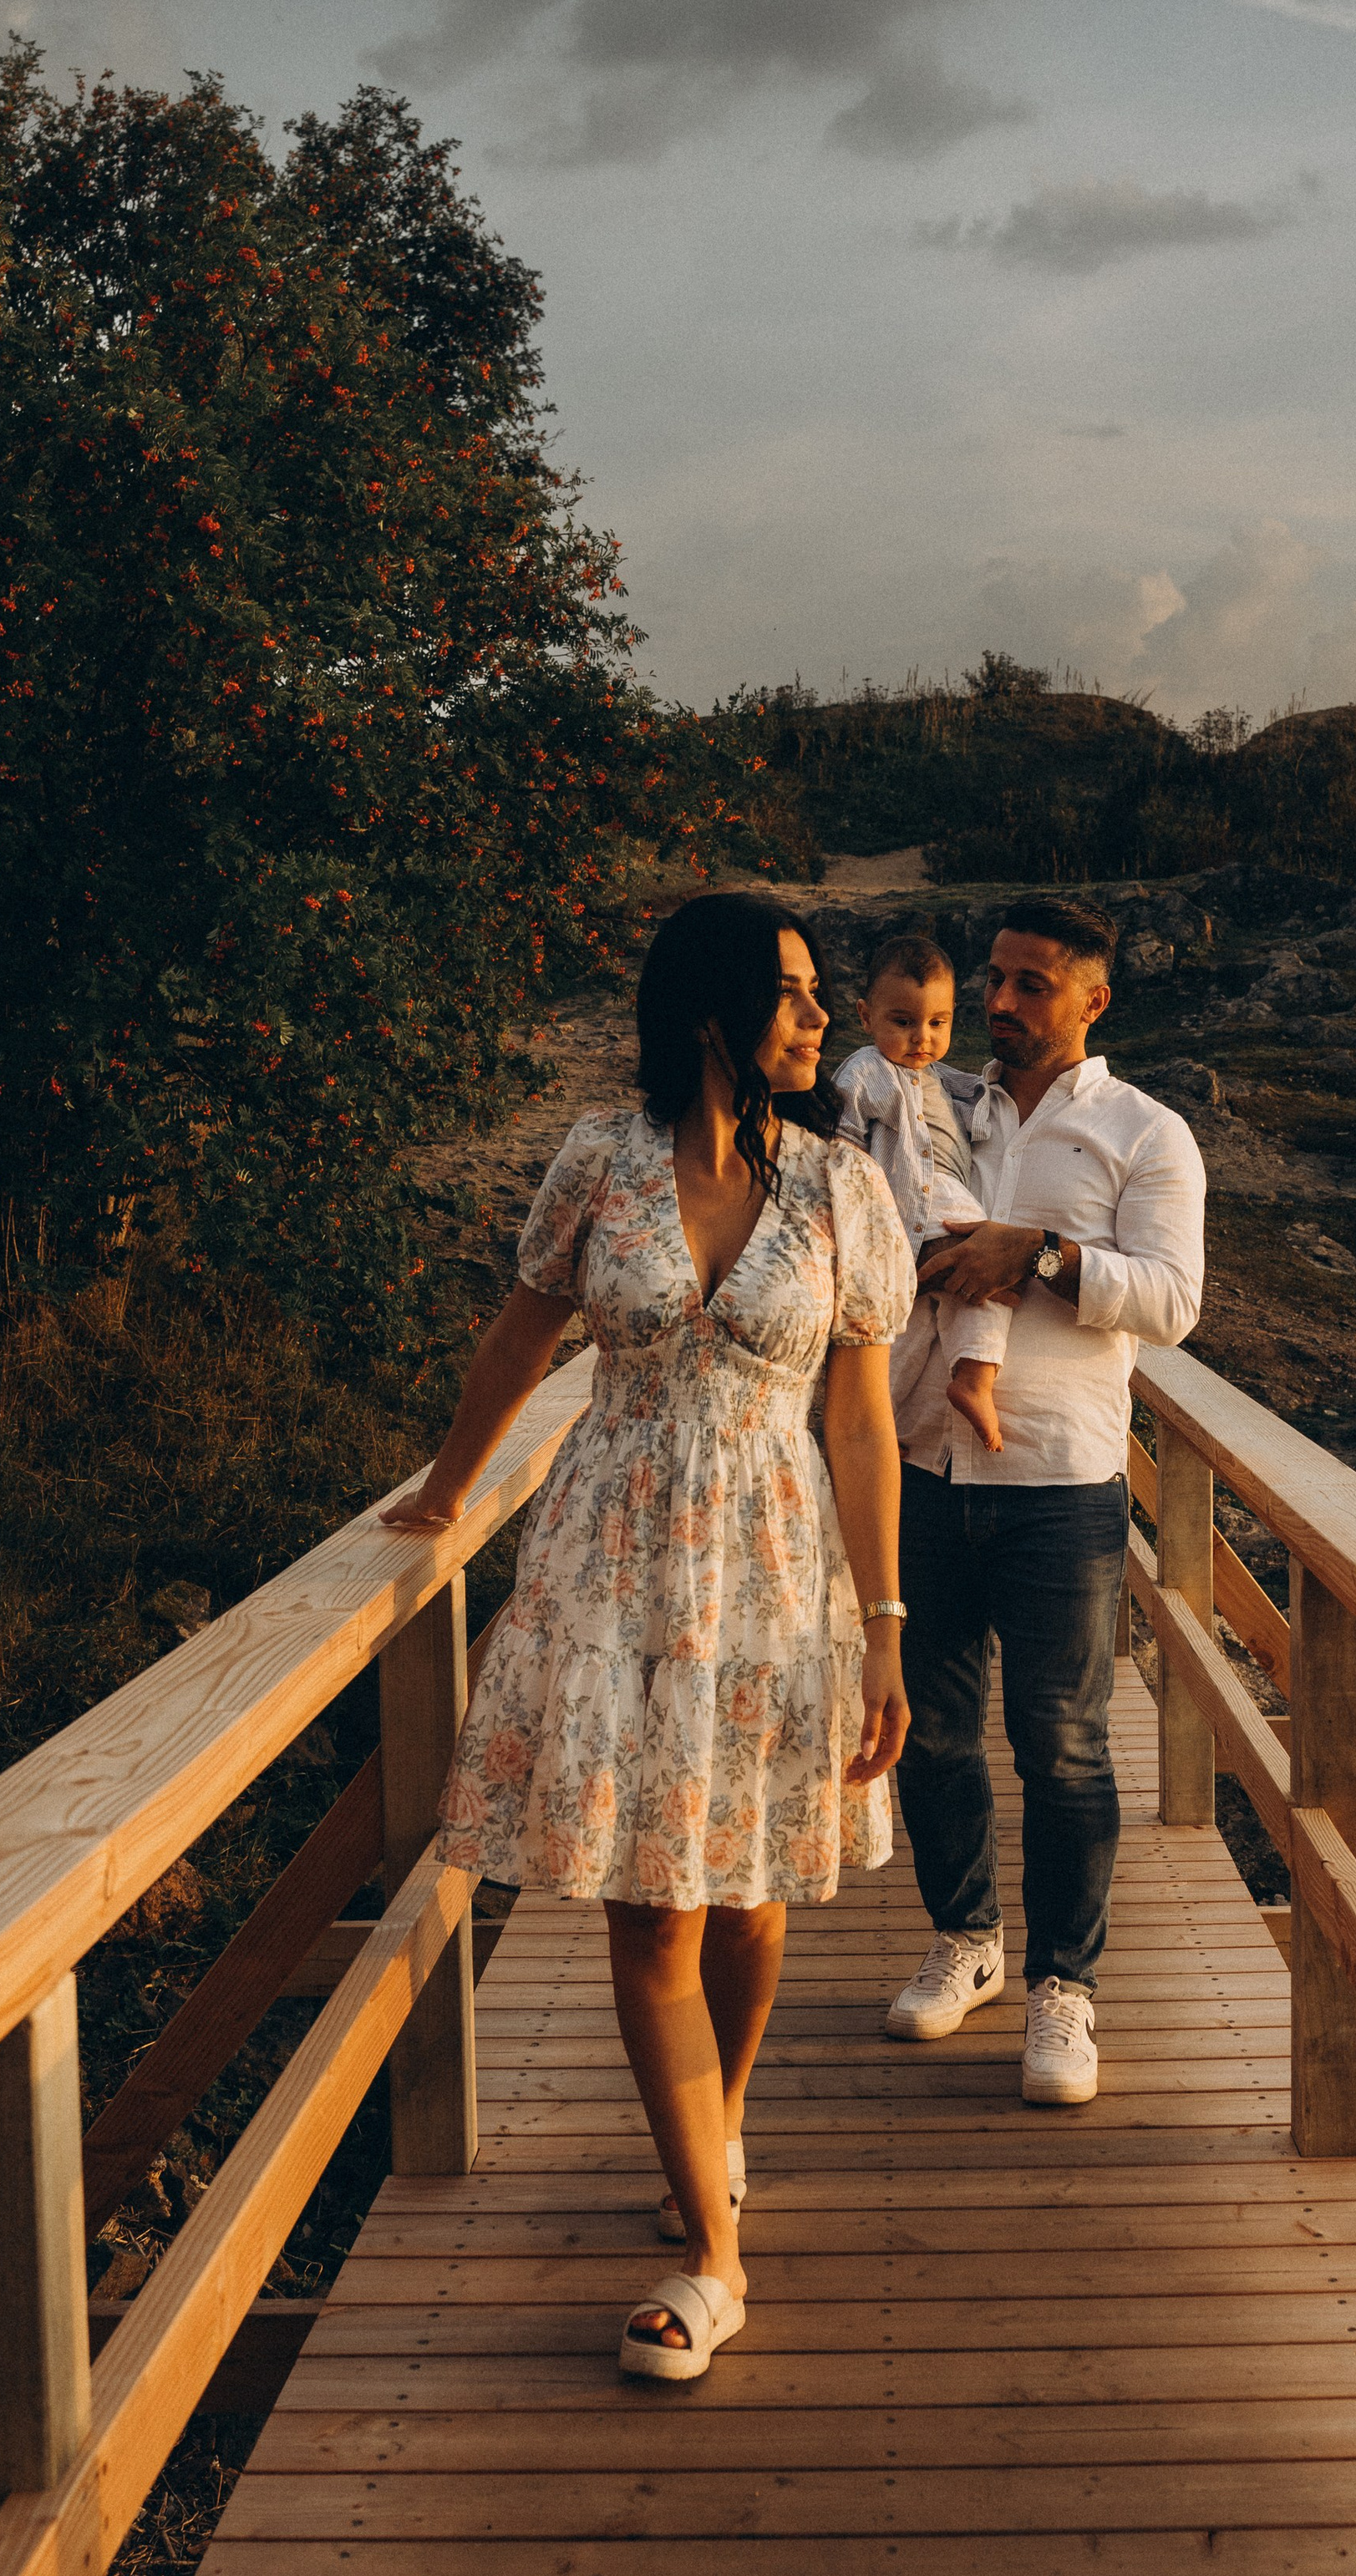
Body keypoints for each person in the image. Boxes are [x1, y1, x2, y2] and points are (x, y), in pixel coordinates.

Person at [379, 893, 915, 2381]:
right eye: (793, 995)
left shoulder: (841, 1189)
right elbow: (522, 1333)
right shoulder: (601, 1164)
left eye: (818, 993)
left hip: (773, 1574)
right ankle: (714, 2261)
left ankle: (715, 2132)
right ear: (712, 1015)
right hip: (615, 1568)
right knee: (652, 1908)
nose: (821, 1017)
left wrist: (883, 1625)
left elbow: (862, 1423)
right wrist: (445, 1494)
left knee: (746, 1895)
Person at [881, 895, 1206, 2107]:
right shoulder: (928, 1103)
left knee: (1062, 1745)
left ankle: (1064, 1987)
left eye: (1031, 983)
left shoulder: (1146, 1132)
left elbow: (1172, 1303)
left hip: (1061, 1483)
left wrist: (1041, 1253)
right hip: (918, 1466)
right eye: (995, 979)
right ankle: (966, 1939)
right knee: (931, 1731)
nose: (1001, 1002)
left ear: (1093, 1001)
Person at [833, 931, 1010, 1453]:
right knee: (992, 1277)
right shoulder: (868, 1069)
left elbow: (972, 1110)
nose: (921, 1038)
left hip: (937, 1202)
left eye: (938, 1023)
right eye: (903, 1022)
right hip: (920, 1196)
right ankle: (973, 1379)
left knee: (913, 1323)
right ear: (866, 1016)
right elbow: (841, 1138)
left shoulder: (941, 1078)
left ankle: (886, 1424)